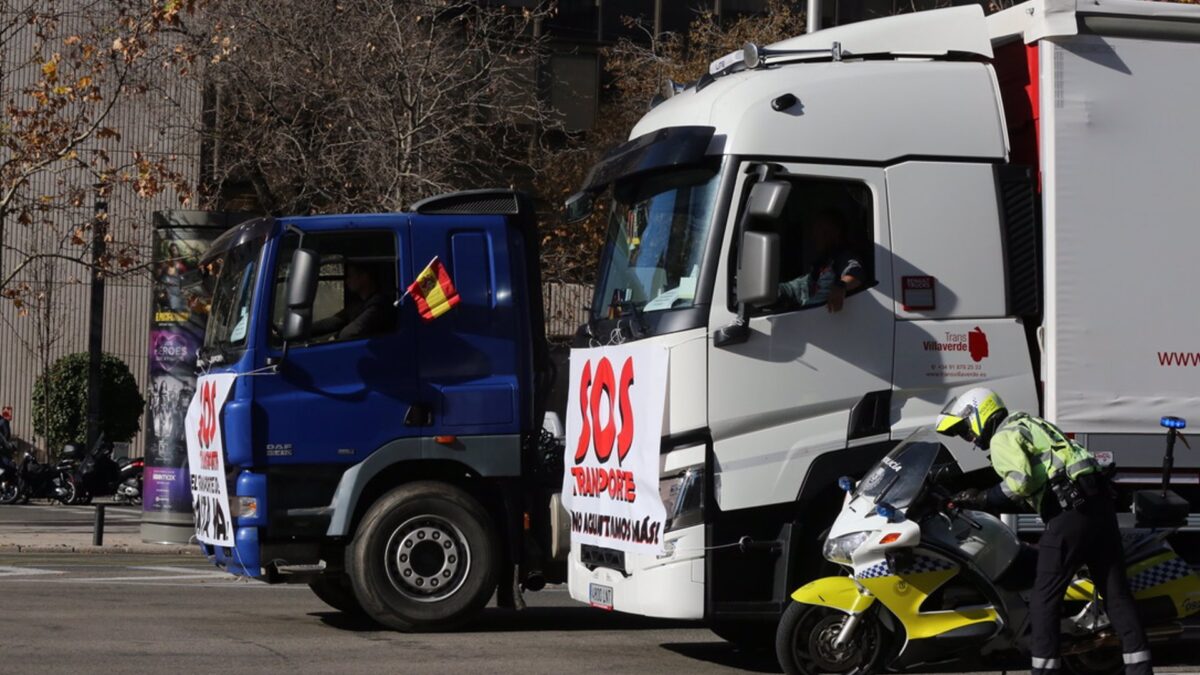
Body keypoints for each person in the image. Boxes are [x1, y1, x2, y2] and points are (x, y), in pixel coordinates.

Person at [935, 387, 1152, 675]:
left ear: (978, 413)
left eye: (966, 430)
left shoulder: (1003, 437)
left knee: (1044, 598)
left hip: (1069, 518)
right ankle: (1141, 670)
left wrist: (981, 498)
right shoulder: (1030, 423)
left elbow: (1019, 482)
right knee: (1116, 594)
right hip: (1099, 508)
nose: (971, 439)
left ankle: (1045, 672)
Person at [776, 210, 865, 312]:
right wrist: (778, 291)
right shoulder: (822, 262)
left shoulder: (843, 256)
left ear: (835, 232)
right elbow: (803, 286)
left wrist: (840, 287)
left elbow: (856, 274)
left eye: (821, 231)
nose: (814, 237)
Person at [310, 260, 394, 341]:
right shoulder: (358, 303)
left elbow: (350, 332)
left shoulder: (378, 305)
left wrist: (333, 338)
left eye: (350, 276)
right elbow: (336, 321)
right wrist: (307, 329)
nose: (347, 281)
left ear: (364, 277)